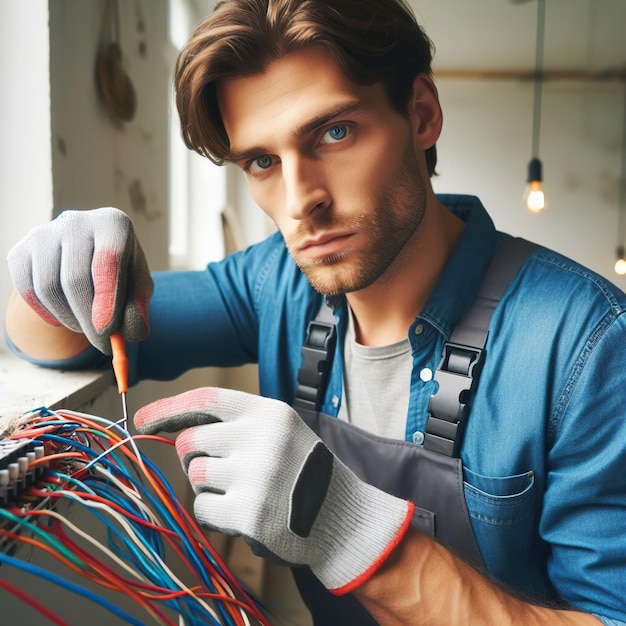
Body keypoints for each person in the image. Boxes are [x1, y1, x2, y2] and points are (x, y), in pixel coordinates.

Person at [5, 0, 626, 624]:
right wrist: (55, 278)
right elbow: (77, 340)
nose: (302, 201)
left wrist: (356, 536)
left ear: (421, 114)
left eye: (334, 132)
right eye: (262, 162)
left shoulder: (587, 346)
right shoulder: (274, 280)